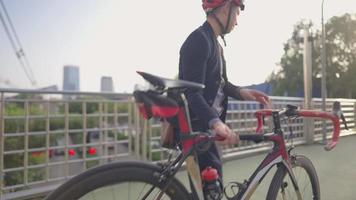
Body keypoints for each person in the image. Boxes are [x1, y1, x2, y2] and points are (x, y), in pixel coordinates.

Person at [178, 0, 271, 197]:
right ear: (227, 8)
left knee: (209, 189)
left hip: (206, 131)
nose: (237, 22)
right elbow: (191, 92)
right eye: (237, 13)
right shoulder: (199, 40)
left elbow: (221, 83)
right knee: (210, 190)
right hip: (199, 131)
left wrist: (242, 93)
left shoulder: (214, 43)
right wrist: (215, 122)